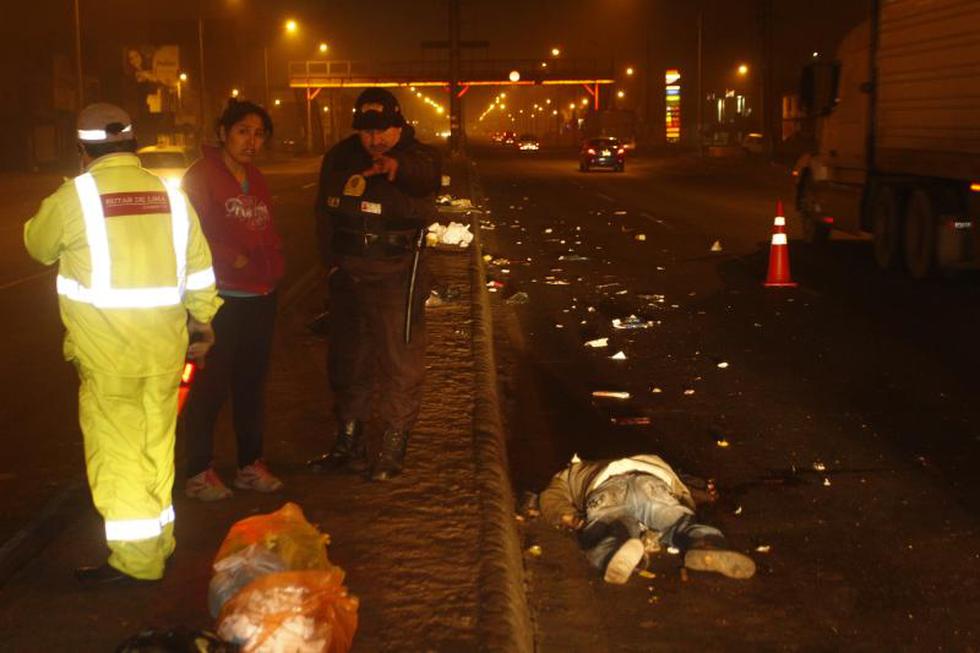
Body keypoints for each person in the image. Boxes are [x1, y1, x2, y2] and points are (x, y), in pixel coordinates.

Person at [23, 103, 221, 586]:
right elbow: (199, 267)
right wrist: (203, 322)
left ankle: (137, 563)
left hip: (108, 356)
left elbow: (37, 245)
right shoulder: (169, 195)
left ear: (82, 149)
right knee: (156, 449)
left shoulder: (76, 197)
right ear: (133, 143)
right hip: (164, 350)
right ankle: (160, 545)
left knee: (118, 459)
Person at [308, 88, 441, 481]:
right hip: (348, 277)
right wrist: (331, 266)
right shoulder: (342, 157)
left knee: (400, 366)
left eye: (383, 130)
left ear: (399, 126)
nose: (375, 140)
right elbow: (322, 214)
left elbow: (424, 175)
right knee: (348, 363)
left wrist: (393, 167)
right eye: (367, 133)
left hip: (397, 275)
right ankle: (349, 442)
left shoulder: (420, 156)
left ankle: (392, 447)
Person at [181, 99, 285, 500]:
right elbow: (191, 235)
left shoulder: (255, 177)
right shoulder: (201, 176)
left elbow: (267, 228)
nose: (252, 141)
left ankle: (249, 464)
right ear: (222, 132)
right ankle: (198, 471)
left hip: (261, 293)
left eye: (259, 133)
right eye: (243, 131)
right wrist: (231, 257)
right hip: (218, 297)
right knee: (210, 385)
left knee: (251, 383)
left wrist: (274, 263)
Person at [540, 453, 756, 584]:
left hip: (607, 489)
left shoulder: (572, 472)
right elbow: (683, 486)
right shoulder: (645, 458)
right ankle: (705, 544)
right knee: (680, 523)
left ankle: (614, 551)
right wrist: (704, 498)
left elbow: (551, 497)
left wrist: (571, 519)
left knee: (610, 527)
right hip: (649, 483)